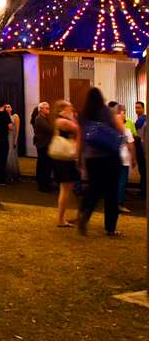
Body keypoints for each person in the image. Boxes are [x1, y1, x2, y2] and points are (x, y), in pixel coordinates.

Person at [78, 87, 123, 236]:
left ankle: (84, 215)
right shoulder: (107, 112)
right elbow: (119, 129)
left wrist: (80, 157)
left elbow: (80, 138)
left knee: (94, 189)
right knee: (112, 192)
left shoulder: (84, 115)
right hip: (110, 156)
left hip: (92, 158)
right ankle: (110, 228)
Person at [50, 100, 79, 227]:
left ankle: (66, 216)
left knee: (67, 188)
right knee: (66, 188)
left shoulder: (59, 120)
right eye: (69, 108)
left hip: (64, 158)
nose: (72, 110)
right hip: (64, 159)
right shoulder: (62, 121)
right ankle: (61, 219)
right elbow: (78, 129)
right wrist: (74, 118)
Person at [112, 103, 135, 214]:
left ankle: (113, 203)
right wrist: (134, 159)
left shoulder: (110, 129)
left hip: (112, 158)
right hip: (124, 158)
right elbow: (131, 146)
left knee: (114, 182)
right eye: (124, 112)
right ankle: (119, 204)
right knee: (122, 182)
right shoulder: (126, 130)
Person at [32, 101, 55, 192]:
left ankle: (46, 184)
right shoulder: (39, 119)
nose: (49, 109)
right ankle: (43, 186)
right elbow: (50, 130)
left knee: (46, 166)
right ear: (41, 109)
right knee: (44, 166)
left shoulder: (44, 118)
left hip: (45, 145)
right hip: (43, 145)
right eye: (47, 108)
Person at [4, 104, 21, 181]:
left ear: (11, 108)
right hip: (5, 138)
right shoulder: (3, 117)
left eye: (9, 107)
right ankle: (8, 174)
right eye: (6, 107)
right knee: (7, 156)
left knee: (12, 155)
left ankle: (14, 174)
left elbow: (17, 130)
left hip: (13, 138)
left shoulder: (15, 116)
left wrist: (15, 140)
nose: (7, 108)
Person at [135, 101, 146, 198]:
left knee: (143, 171)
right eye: (136, 108)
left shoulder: (142, 120)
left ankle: (143, 192)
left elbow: (138, 136)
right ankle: (142, 191)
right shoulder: (140, 119)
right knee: (142, 171)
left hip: (142, 150)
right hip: (141, 149)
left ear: (143, 108)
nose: (137, 110)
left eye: (139, 108)